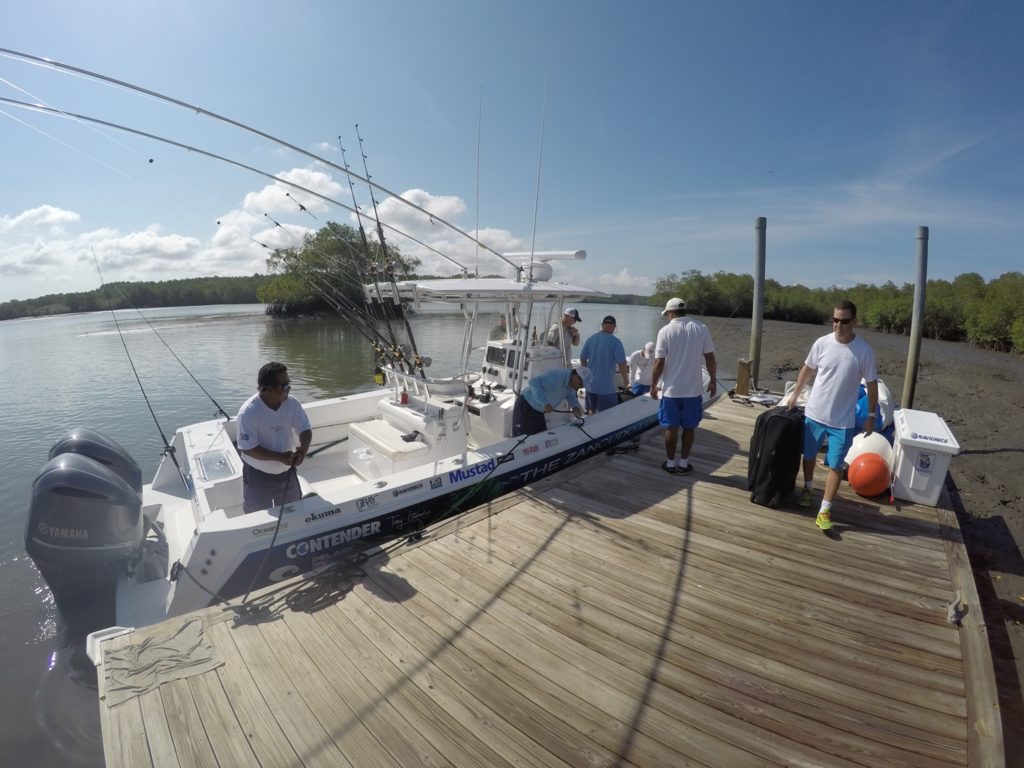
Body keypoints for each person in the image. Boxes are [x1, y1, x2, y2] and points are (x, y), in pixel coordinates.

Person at [787, 299, 878, 531]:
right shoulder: (821, 343)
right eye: (835, 320)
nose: (838, 325)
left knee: (836, 465)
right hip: (815, 413)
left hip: (842, 421)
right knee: (808, 455)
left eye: (844, 321)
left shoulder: (864, 351)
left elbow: (872, 383)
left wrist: (870, 415)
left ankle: (825, 510)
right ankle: (807, 488)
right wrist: (795, 395)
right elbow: (807, 369)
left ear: (854, 322)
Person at [650, 298, 716, 475]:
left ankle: (670, 463)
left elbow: (658, 362)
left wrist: (653, 385)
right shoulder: (701, 328)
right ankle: (684, 463)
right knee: (689, 427)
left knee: (671, 427)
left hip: (671, 390)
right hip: (693, 390)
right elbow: (710, 357)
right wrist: (713, 380)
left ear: (670, 313)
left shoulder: (665, 331)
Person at [236, 362, 313, 513]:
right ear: (267, 390)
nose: (289, 389)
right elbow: (249, 449)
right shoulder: (248, 412)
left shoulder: (292, 403)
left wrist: (303, 450)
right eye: (284, 386)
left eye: (289, 385)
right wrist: (280, 457)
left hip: (287, 472)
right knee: (257, 517)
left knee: (294, 511)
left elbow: (305, 429)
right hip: (258, 475)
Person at [512, 366, 591, 436]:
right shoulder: (557, 376)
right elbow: (533, 383)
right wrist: (545, 403)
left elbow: (571, 396)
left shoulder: (570, 385)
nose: (579, 388)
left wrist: (575, 407)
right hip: (526, 406)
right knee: (522, 440)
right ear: (576, 377)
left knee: (541, 437)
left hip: (538, 412)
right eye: (581, 385)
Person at [579, 315, 629, 413]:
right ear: (615, 327)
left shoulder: (591, 339)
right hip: (606, 387)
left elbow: (582, 357)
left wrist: (586, 374)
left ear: (602, 325)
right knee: (608, 414)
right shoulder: (616, 342)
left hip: (590, 385)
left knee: (591, 411)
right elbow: (622, 363)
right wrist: (625, 379)